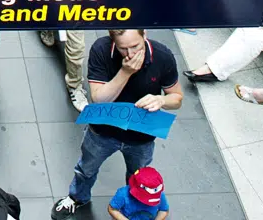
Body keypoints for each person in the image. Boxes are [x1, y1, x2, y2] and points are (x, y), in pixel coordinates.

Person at [51, 29, 182, 217]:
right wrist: (125, 71)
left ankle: (137, 204)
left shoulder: (162, 56)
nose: (130, 54)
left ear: (144, 34)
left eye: (135, 46)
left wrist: (161, 100)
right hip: (102, 132)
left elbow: (177, 98)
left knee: (137, 176)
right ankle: (77, 197)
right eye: (123, 49)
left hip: (141, 136)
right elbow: (99, 99)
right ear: (113, 42)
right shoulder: (101, 50)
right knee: (86, 168)